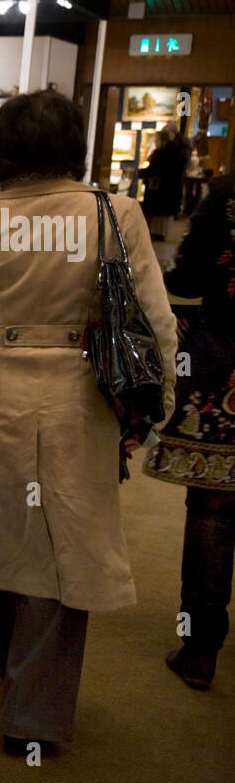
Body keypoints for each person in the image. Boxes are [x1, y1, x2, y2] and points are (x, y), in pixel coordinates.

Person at [0, 90, 178, 753]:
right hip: (74, 394)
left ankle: (12, 667)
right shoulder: (112, 213)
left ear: (1, 150)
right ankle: (33, 716)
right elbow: (154, 320)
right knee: (65, 548)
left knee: (4, 533)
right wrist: (160, 404)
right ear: (73, 145)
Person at [144, 174, 235, 691]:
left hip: (226, 366)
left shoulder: (227, 196)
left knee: (214, 508)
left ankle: (201, 646)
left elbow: (189, 276)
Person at [141, 123, 185, 239]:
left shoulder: (166, 152)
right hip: (165, 188)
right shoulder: (172, 150)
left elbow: (158, 168)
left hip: (161, 188)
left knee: (158, 213)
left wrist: (144, 172)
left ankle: (157, 233)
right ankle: (158, 232)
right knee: (160, 214)